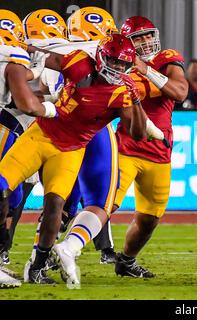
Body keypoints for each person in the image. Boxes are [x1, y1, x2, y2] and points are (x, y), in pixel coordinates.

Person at [1, 33, 151, 285]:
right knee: (2, 187)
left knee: (55, 206)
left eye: (122, 65)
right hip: (41, 134)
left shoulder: (122, 93)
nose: (117, 68)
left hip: (71, 150)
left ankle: (37, 267)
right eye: (113, 61)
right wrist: (21, 48)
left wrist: (136, 100)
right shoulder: (79, 62)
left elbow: (137, 133)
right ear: (102, 56)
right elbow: (46, 59)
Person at [22, 7, 121, 273]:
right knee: (100, 201)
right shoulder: (89, 52)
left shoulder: (51, 52)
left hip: (55, 129)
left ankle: (36, 260)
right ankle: (67, 249)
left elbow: (42, 88)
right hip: (90, 129)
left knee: (56, 202)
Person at [112, 16, 188, 278]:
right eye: (138, 38)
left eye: (147, 35)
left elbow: (180, 92)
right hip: (125, 146)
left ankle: (126, 262)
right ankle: (61, 249)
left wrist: (146, 71)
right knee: (105, 206)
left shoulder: (166, 59)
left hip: (158, 151)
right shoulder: (117, 63)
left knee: (150, 218)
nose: (145, 41)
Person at [0, 10, 58, 288]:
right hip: (5, 126)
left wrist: (33, 72)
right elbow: (26, 104)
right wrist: (51, 107)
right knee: (5, 195)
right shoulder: (12, 58)